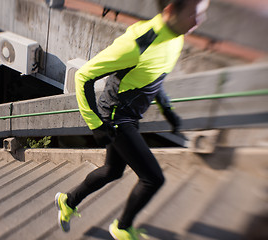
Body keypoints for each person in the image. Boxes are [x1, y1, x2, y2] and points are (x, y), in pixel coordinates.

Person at [55, 0, 210, 239]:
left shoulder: (176, 37)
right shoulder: (138, 42)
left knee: (111, 171)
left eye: (202, 14)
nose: (199, 21)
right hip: (116, 118)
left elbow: (153, 76)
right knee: (153, 179)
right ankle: (122, 228)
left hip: (129, 115)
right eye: (194, 14)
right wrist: (96, 124)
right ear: (170, 10)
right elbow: (84, 76)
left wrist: (167, 109)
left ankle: (68, 201)